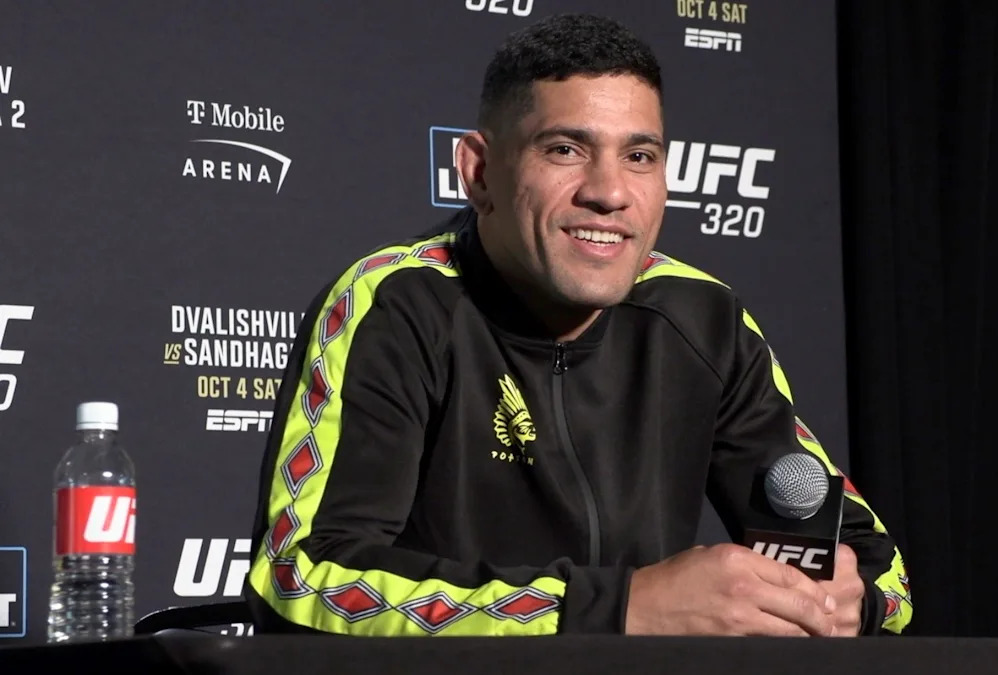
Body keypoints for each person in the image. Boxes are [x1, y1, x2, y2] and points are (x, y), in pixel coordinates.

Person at [243, 13, 912, 638]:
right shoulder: (397, 303)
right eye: (565, 149)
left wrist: (850, 600)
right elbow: (301, 578)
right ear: (479, 173)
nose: (610, 192)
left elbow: (882, 571)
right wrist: (620, 606)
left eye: (640, 157)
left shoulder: (703, 319)